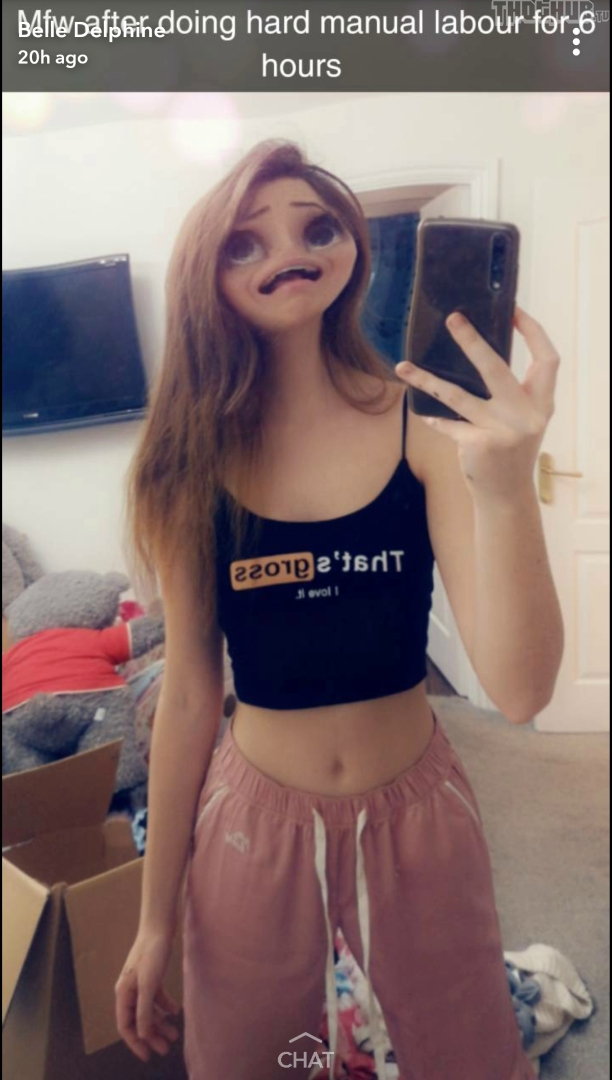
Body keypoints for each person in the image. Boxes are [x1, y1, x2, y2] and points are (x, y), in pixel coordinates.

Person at [116, 139, 564, 1080]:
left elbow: (520, 693)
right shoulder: (187, 463)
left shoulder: (421, 427)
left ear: (353, 249)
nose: (290, 250)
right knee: (252, 1061)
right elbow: (190, 696)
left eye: (316, 228)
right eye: (246, 241)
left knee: (469, 1057)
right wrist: (154, 921)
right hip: (251, 829)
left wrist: (507, 486)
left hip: (422, 820)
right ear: (206, 276)